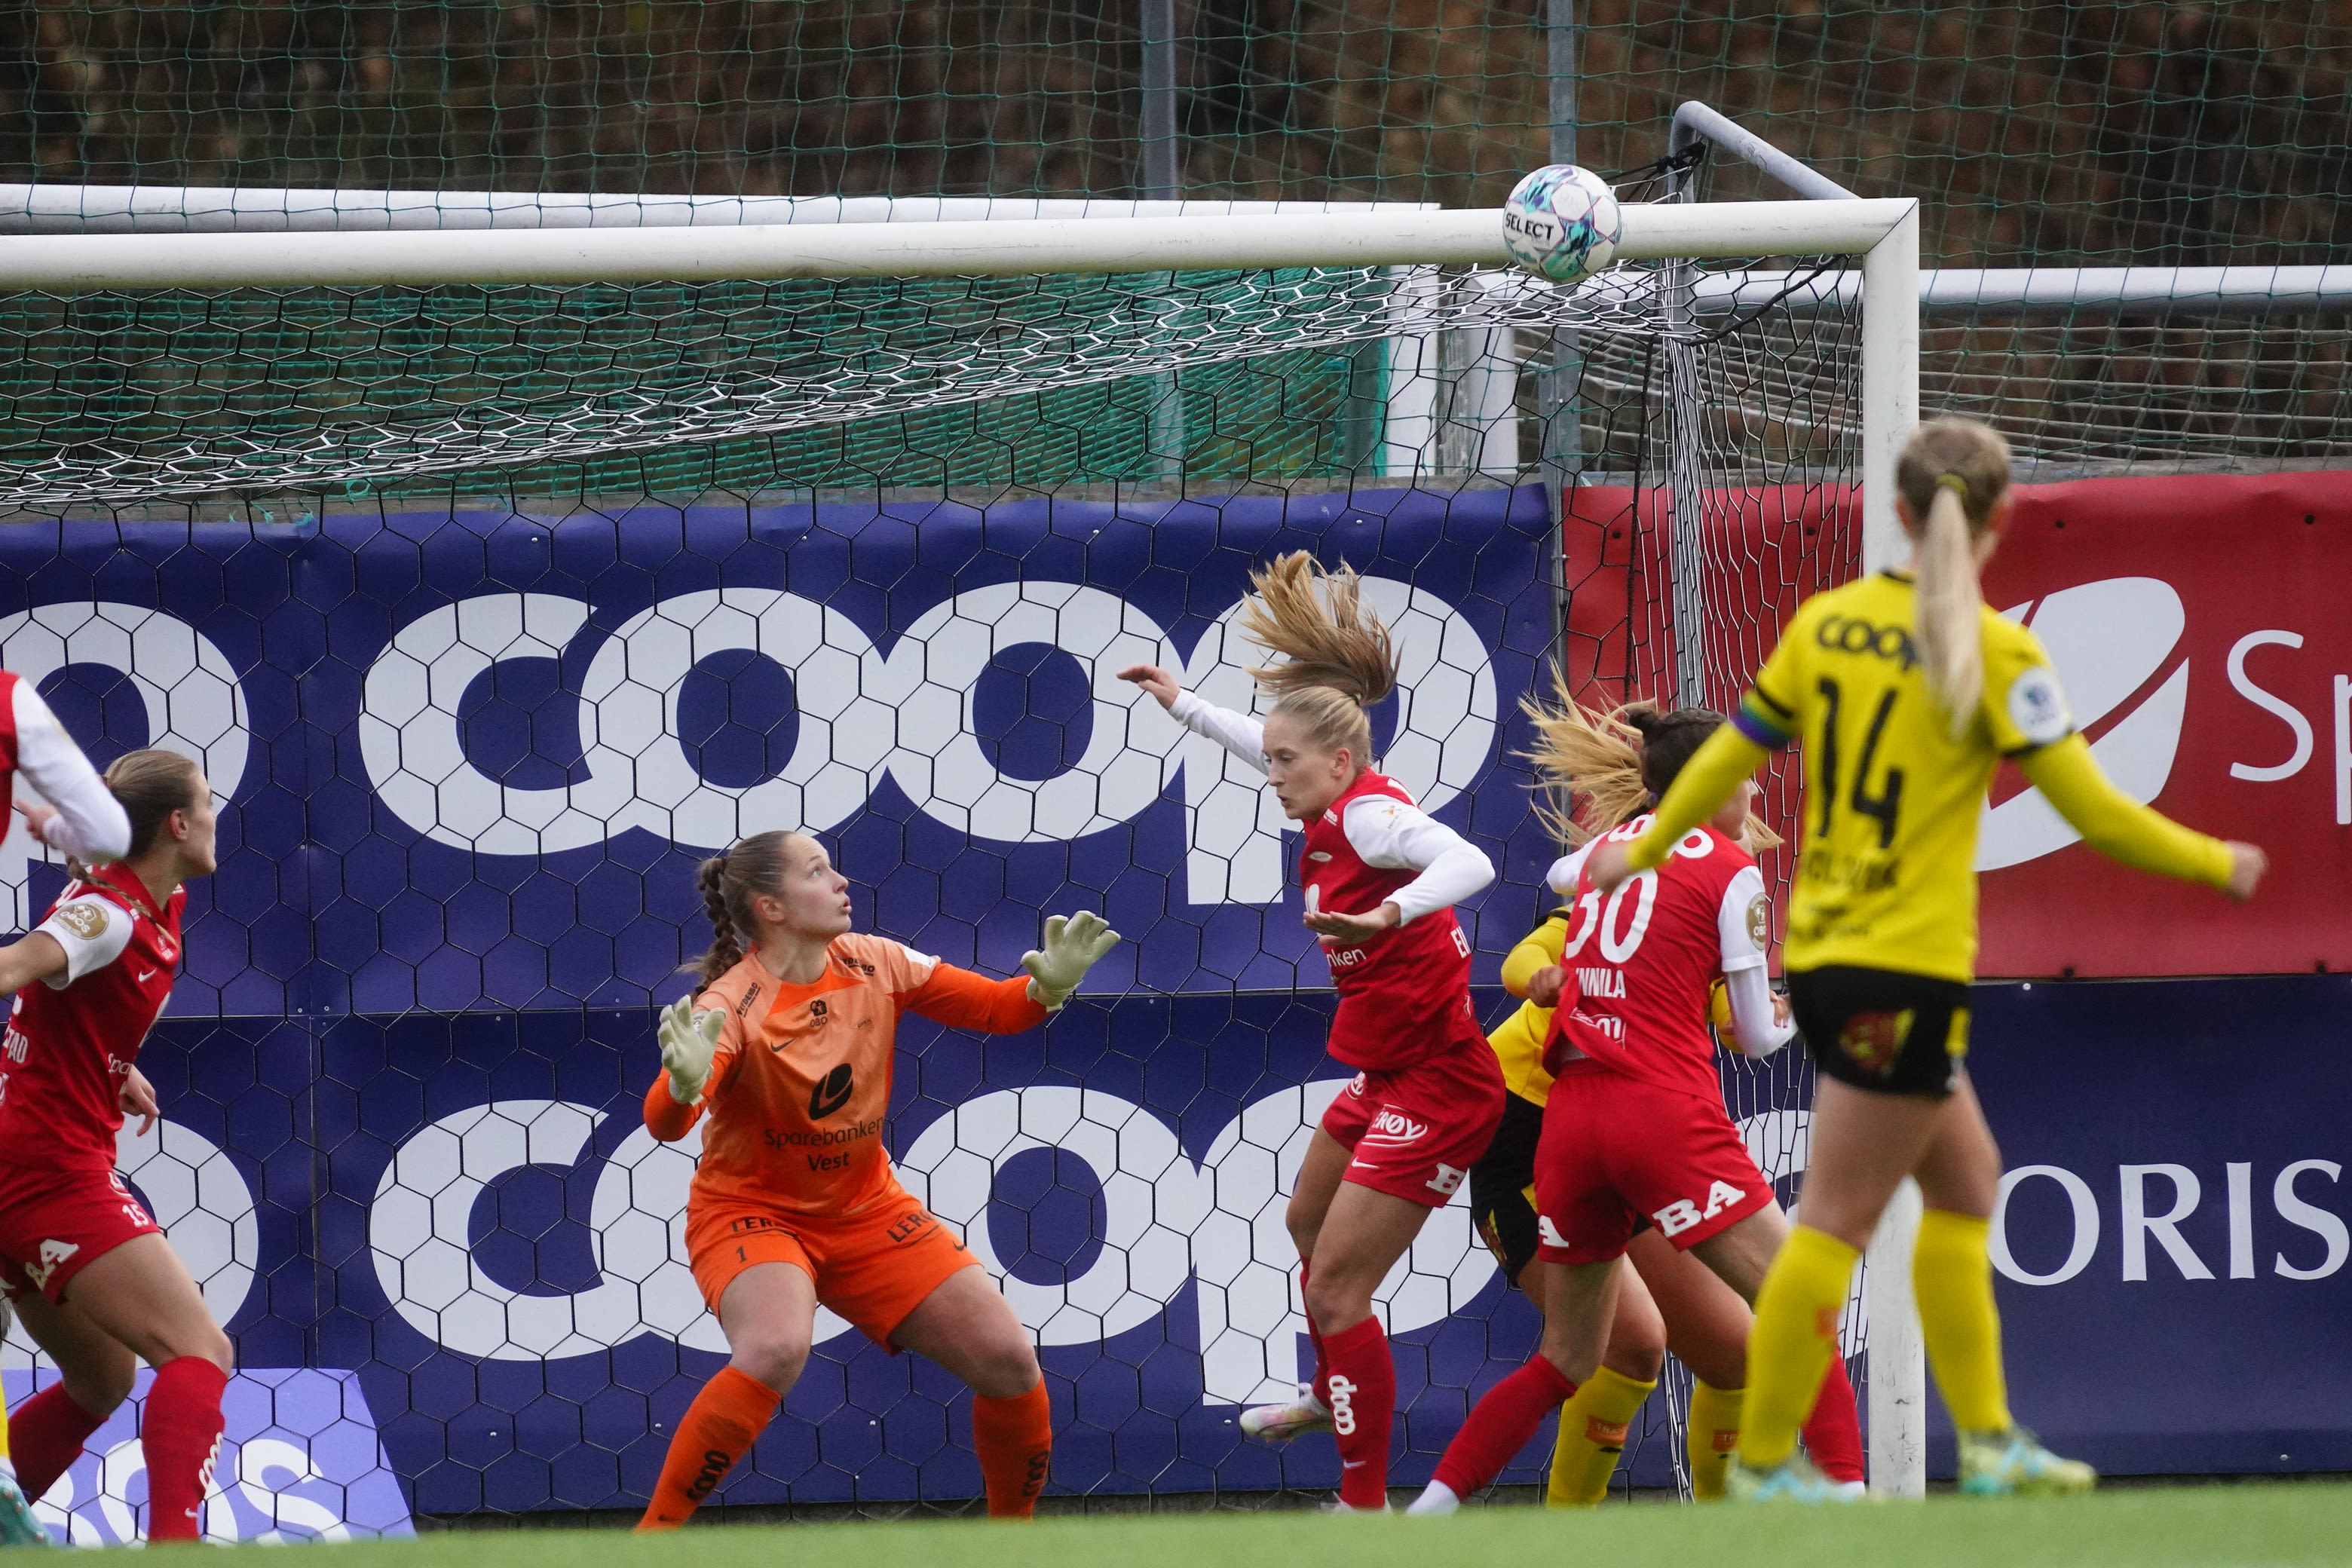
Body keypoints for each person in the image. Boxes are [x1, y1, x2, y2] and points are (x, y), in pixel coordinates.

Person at [1586, 416, 2267, 1502]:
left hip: (1835, 953)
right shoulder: (1996, 653)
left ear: (1897, 512)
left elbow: (1724, 758)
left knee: (1966, 1181)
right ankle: (1768, 1463)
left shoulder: (1828, 626)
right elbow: (2094, 810)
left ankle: (1989, 1440)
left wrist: (1651, 843)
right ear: (2004, 516)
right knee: (1835, 1224)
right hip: (1899, 968)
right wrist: (2214, 861)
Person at [1119, 552, 1499, 1514]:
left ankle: (1363, 1507)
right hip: (1388, 1075)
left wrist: (1389, 914)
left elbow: (1473, 861)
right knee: (1302, 1225)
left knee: (1335, 1288)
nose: (1273, 773)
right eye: (1274, 758)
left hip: (1443, 1085)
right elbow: (1259, 736)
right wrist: (1181, 704)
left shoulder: (1371, 821)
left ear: (1339, 763)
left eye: (1287, 763)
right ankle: (1336, 1390)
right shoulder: (1333, 789)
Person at [1410, 701, 1857, 1514]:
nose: (1755, 798)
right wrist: (1547, 981)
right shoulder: (1693, 876)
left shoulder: (1615, 864)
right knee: (1641, 1343)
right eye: (1746, 782)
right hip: (1538, 1123)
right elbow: (1522, 958)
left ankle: (1715, 1536)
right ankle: (1571, 1540)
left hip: (1592, 1121)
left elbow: (1727, 1014)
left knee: (1731, 1351)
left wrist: (1749, 1007)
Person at [634, 830, 1119, 1529]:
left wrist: (1050, 987)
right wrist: (681, 1086)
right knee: (774, 1348)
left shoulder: (876, 961)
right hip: (753, 1215)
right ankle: (652, 1542)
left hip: (865, 1210)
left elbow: (998, 1009)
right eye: (817, 872)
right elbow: (667, 1124)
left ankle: (1012, 1546)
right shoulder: (729, 1005)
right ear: (771, 907)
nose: (841, 882)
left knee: (1009, 1361)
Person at [0, 750, 227, 1545]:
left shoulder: (157, 899)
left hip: (28, 1163)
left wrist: (112, 1064)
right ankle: (176, 1552)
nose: (217, 815)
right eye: (208, 801)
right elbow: (18, 967)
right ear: (178, 823)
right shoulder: (111, 915)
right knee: (199, 1350)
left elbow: (65, 1003)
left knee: (102, 1378)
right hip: (46, 1174)